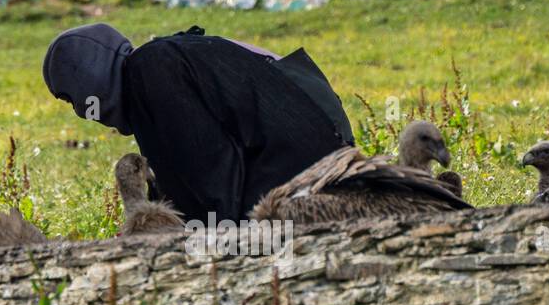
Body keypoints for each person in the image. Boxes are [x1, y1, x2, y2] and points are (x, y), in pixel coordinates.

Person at [42, 24, 353, 222]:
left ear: (86, 76)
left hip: (307, 171)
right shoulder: (163, 60)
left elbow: (211, 174)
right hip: (320, 156)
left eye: (72, 98)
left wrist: (202, 248)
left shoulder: (150, 71)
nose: (82, 112)